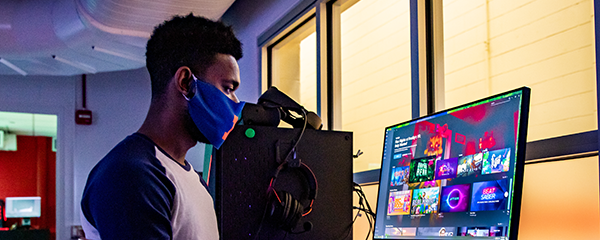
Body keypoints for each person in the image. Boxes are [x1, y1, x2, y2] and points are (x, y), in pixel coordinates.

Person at [80, 14, 244, 240]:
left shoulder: (191, 180)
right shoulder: (131, 175)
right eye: (227, 88)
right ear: (186, 83)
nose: (235, 102)